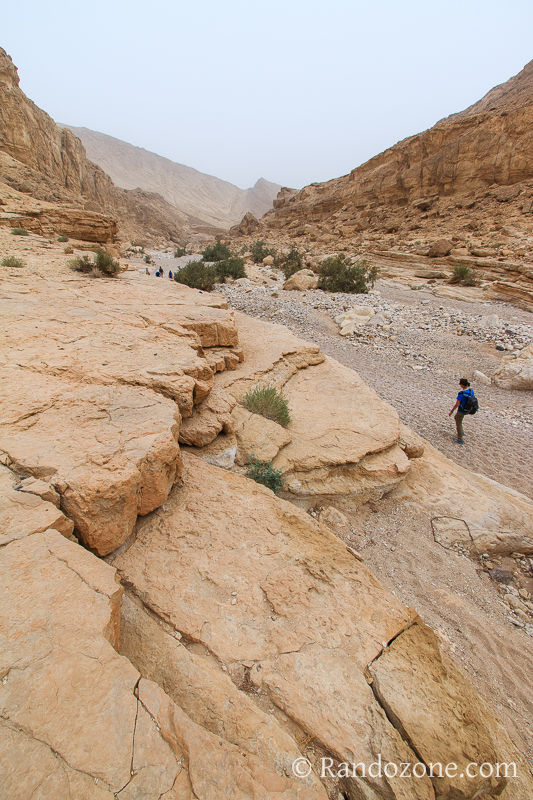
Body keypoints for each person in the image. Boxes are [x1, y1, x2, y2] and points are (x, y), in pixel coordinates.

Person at [448, 378, 474, 444]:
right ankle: (461, 432)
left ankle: (460, 439)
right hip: (468, 409)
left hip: (461, 410)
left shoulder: (461, 394)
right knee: (458, 419)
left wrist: (451, 411)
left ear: (462, 385)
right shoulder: (471, 391)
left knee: (458, 422)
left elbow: (457, 404)